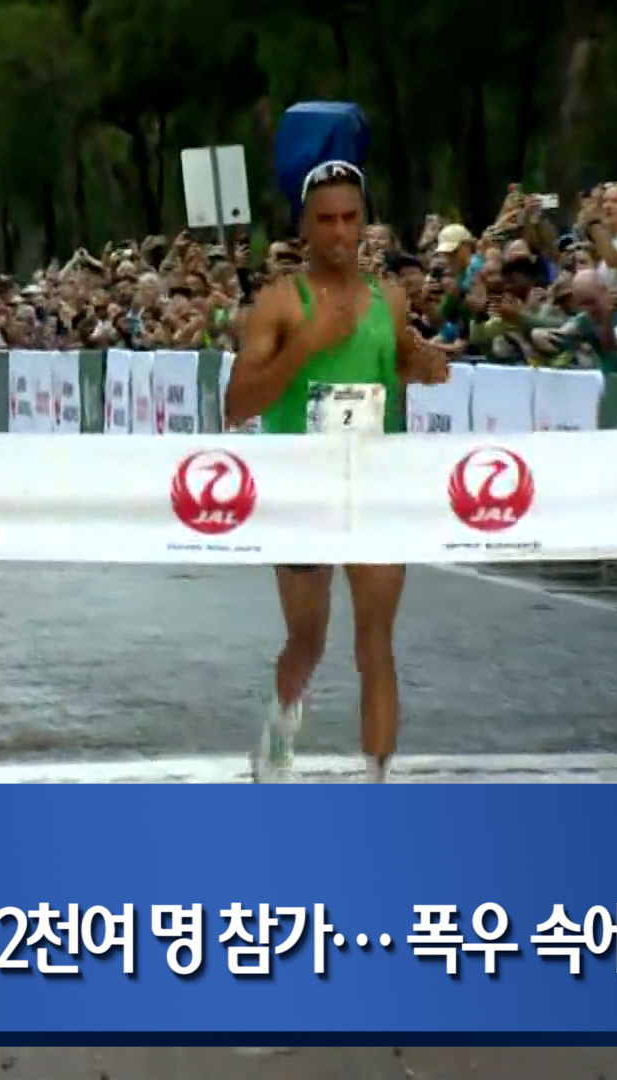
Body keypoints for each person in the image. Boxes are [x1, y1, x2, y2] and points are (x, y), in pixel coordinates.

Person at [224, 139, 448, 784]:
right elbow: (237, 404)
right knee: (308, 639)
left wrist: (422, 365)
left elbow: (397, 361)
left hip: (373, 485)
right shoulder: (280, 303)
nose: (340, 232)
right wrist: (305, 346)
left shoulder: (389, 298)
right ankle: (279, 740)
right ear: (305, 224)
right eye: (326, 220)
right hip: (302, 490)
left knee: (376, 643)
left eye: (350, 218)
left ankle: (377, 783)